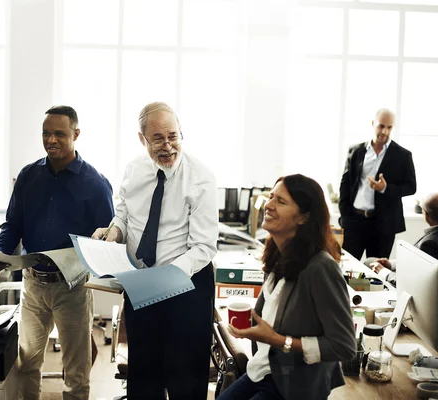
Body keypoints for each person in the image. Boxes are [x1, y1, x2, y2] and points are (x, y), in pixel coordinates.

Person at [92, 102, 218, 399]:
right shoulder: (134, 170)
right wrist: (113, 233)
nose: (168, 146)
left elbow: (204, 246)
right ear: (142, 139)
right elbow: (123, 215)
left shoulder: (201, 178)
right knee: (143, 373)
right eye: (158, 139)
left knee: (185, 378)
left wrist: (166, 278)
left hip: (187, 285)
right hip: (141, 284)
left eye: (173, 136)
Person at [0, 105, 114, 400]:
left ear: (76, 134)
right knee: (27, 364)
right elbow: (13, 224)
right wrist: (0, 250)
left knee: (76, 373)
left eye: (59, 133)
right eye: (46, 133)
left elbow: (107, 243)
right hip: (33, 285)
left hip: (72, 287)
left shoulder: (96, 184)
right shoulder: (28, 176)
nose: (51, 140)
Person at [218, 174, 356, 400]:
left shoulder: (321, 268)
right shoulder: (277, 255)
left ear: (303, 217)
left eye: (280, 201)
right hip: (262, 370)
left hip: (293, 385)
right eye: (270, 197)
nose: (268, 205)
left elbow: (345, 346)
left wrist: (279, 341)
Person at [339, 108, 417, 260]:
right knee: (347, 269)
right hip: (354, 221)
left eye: (389, 127)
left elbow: (411, 187)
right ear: (373, 124)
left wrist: (385, 188)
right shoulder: (355, 150)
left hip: (383, 225)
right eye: (381, 126)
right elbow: (345, 184)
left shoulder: (402, 155)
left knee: (376, 274)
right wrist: (345, 216)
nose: (385, 132)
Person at [366, 192, 438, 286]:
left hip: (406, 288)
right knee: (369, 261)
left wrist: (383, 272)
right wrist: (391, 265)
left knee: (368, 264)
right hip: (405, 270)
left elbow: (411, 281)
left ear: (426, 215)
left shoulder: (430, 243)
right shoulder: (432, 236)